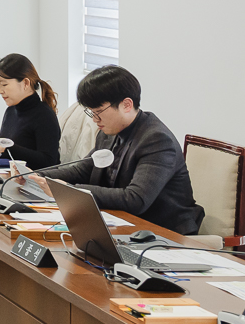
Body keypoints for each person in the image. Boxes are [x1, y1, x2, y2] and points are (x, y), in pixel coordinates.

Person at [38, 65, 205, 235]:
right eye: (91, 112)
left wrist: (72, 191)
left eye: (98, 112)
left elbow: (136, 199)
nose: (95, 119)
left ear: (126, 105)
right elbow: (83, 169)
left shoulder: (157, 140)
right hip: (123, 223)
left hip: (163, 232)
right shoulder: (108, 132)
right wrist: (37, 175)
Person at [0, 54, 61, 169]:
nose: (0, 91)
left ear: (26, 83)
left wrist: (5, 148)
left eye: (4, 84)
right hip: (11, 175)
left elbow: (48, 161)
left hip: (34, 179)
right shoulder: (10, 111)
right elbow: (8, 149)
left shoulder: (44, 115)